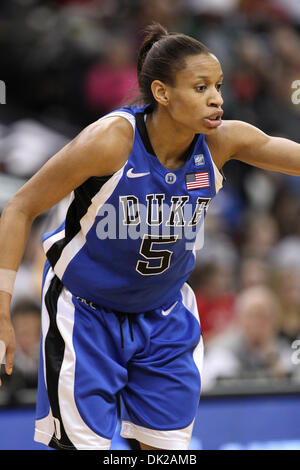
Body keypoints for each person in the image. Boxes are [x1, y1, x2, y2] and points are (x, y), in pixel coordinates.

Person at [0, 22, 299, 451]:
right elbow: (20, 206)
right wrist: (2, 307)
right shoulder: (112, 141)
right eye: (200, 88)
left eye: (217, 85)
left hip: (163, 315)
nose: (216, 97)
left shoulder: (221, 142)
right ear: (162, 93)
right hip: (86, 313)